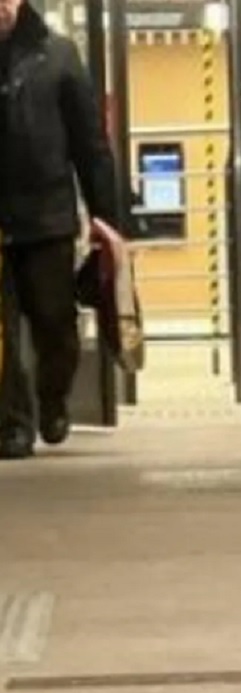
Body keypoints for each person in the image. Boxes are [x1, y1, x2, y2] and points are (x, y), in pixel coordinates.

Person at [0, 0, 119, 459]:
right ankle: (12, 423)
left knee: (56, 324)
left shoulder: (60, 55)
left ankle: (53, 399)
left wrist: (105, 218)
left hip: (47, 218)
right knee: (3, 331)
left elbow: (90, 144)